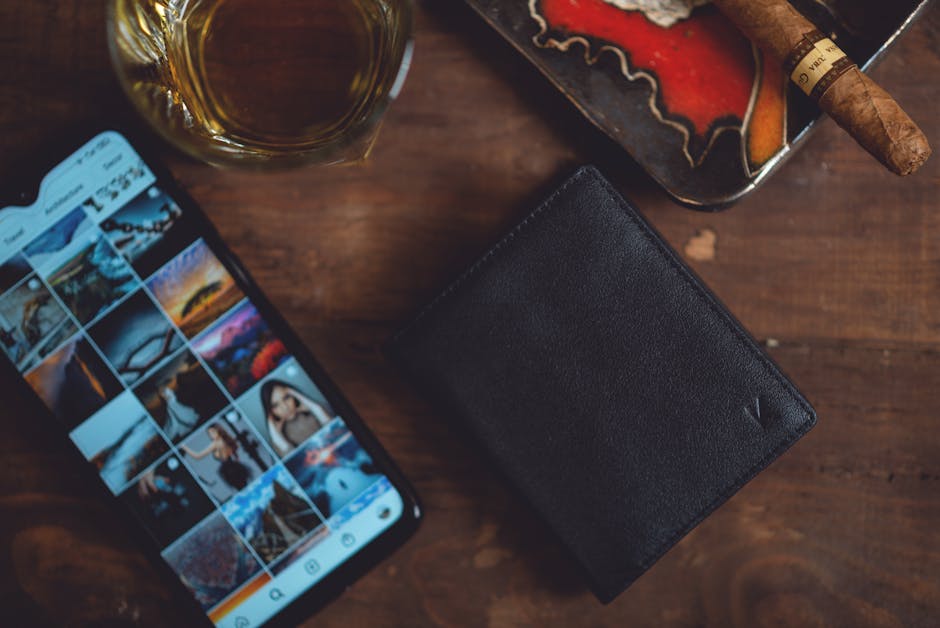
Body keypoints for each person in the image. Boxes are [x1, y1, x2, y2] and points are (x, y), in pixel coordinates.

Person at [261, 379, 334, 457]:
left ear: (293, 395)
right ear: (270, 411)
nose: (285, 407)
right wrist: (277, 438)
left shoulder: (320, 409)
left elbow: (337, 434)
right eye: (275, 405)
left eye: (286, 398)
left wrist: (316, 409)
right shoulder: (276, 441)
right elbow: (297, 461)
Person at [181, 423, 251, 490]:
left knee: (242, 486)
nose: (211, 435)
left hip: (230, 470)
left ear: (218, 430)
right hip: (233, 468)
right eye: (209, 433)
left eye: (213, 432)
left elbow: (198, 456)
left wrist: (184, 447)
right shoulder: (224, 440)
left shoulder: (216, 443)